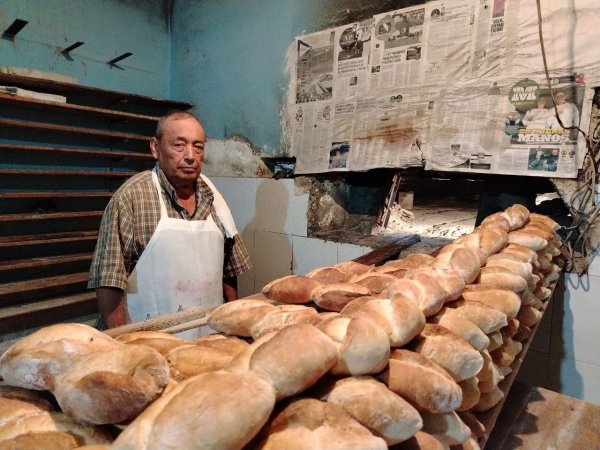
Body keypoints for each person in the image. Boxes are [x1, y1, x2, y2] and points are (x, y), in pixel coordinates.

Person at [88, 110, 251, 338]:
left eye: (198, 147)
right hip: (149, 340)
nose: (190, 156)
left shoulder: (214, 198)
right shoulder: (131, 198)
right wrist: (123, 343)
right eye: (179, 145)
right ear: (155, 148)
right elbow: (108, 281)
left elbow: (229, 270)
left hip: (209, 336)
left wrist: (235, 327)